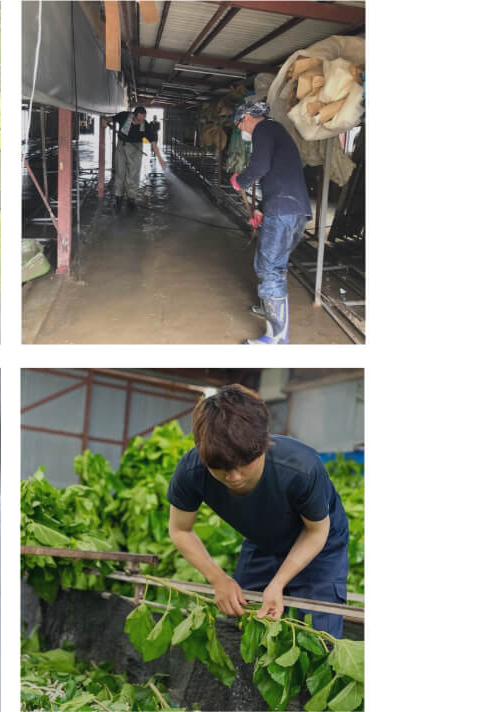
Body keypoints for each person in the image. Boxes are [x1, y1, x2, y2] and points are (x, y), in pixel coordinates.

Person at [166, 384, 349, 637]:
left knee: (319, 637)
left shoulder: (301, 467)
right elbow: (180, 529)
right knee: (244, 623)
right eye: (220, 468)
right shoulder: (192, 471)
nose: (233, 477)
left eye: (244, 465)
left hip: (319, 544)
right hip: (263, 541)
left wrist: (278, 582)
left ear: (264, 445)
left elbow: (316, 532)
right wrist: (218, 579)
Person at [230, 100, 312, 345]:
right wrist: (263, 211)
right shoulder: (276, 131)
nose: (240, 130)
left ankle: (276, 338)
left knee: (269, 269)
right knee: (271, 265)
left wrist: (240, 181)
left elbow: (260, 167)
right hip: (292, 210)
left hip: (284, 210)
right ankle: (270, 310)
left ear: (246, 118)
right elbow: (279, 175)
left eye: (239, 125)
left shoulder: (264, 129)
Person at [103, 106, 154, 213]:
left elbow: (152, 140)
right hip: (122, 145)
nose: (141, 121)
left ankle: (131, 199)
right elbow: (111, 118)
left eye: (143, 119)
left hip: (136, 148)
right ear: (134, 116)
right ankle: (118, 199)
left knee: (133, 174)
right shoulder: (124, 116)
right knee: (120, 172)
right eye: (139, 119)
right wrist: (105, 120)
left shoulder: (145, 124)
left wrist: (159, 156)